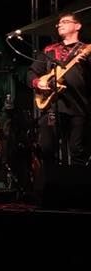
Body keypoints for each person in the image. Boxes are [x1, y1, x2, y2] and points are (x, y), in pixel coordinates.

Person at [29, 11, 91, 165]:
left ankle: (79, 180)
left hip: (79, 107)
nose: (60, 25)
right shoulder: (50, 50)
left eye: (65, 22)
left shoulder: (86, 49)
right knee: (47, 148)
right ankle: (50, 179)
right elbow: (31, 72)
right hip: (53, 106)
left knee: (77, 150)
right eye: (59, 23)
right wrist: (39, 83)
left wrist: (87, 63)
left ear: (77, 26)